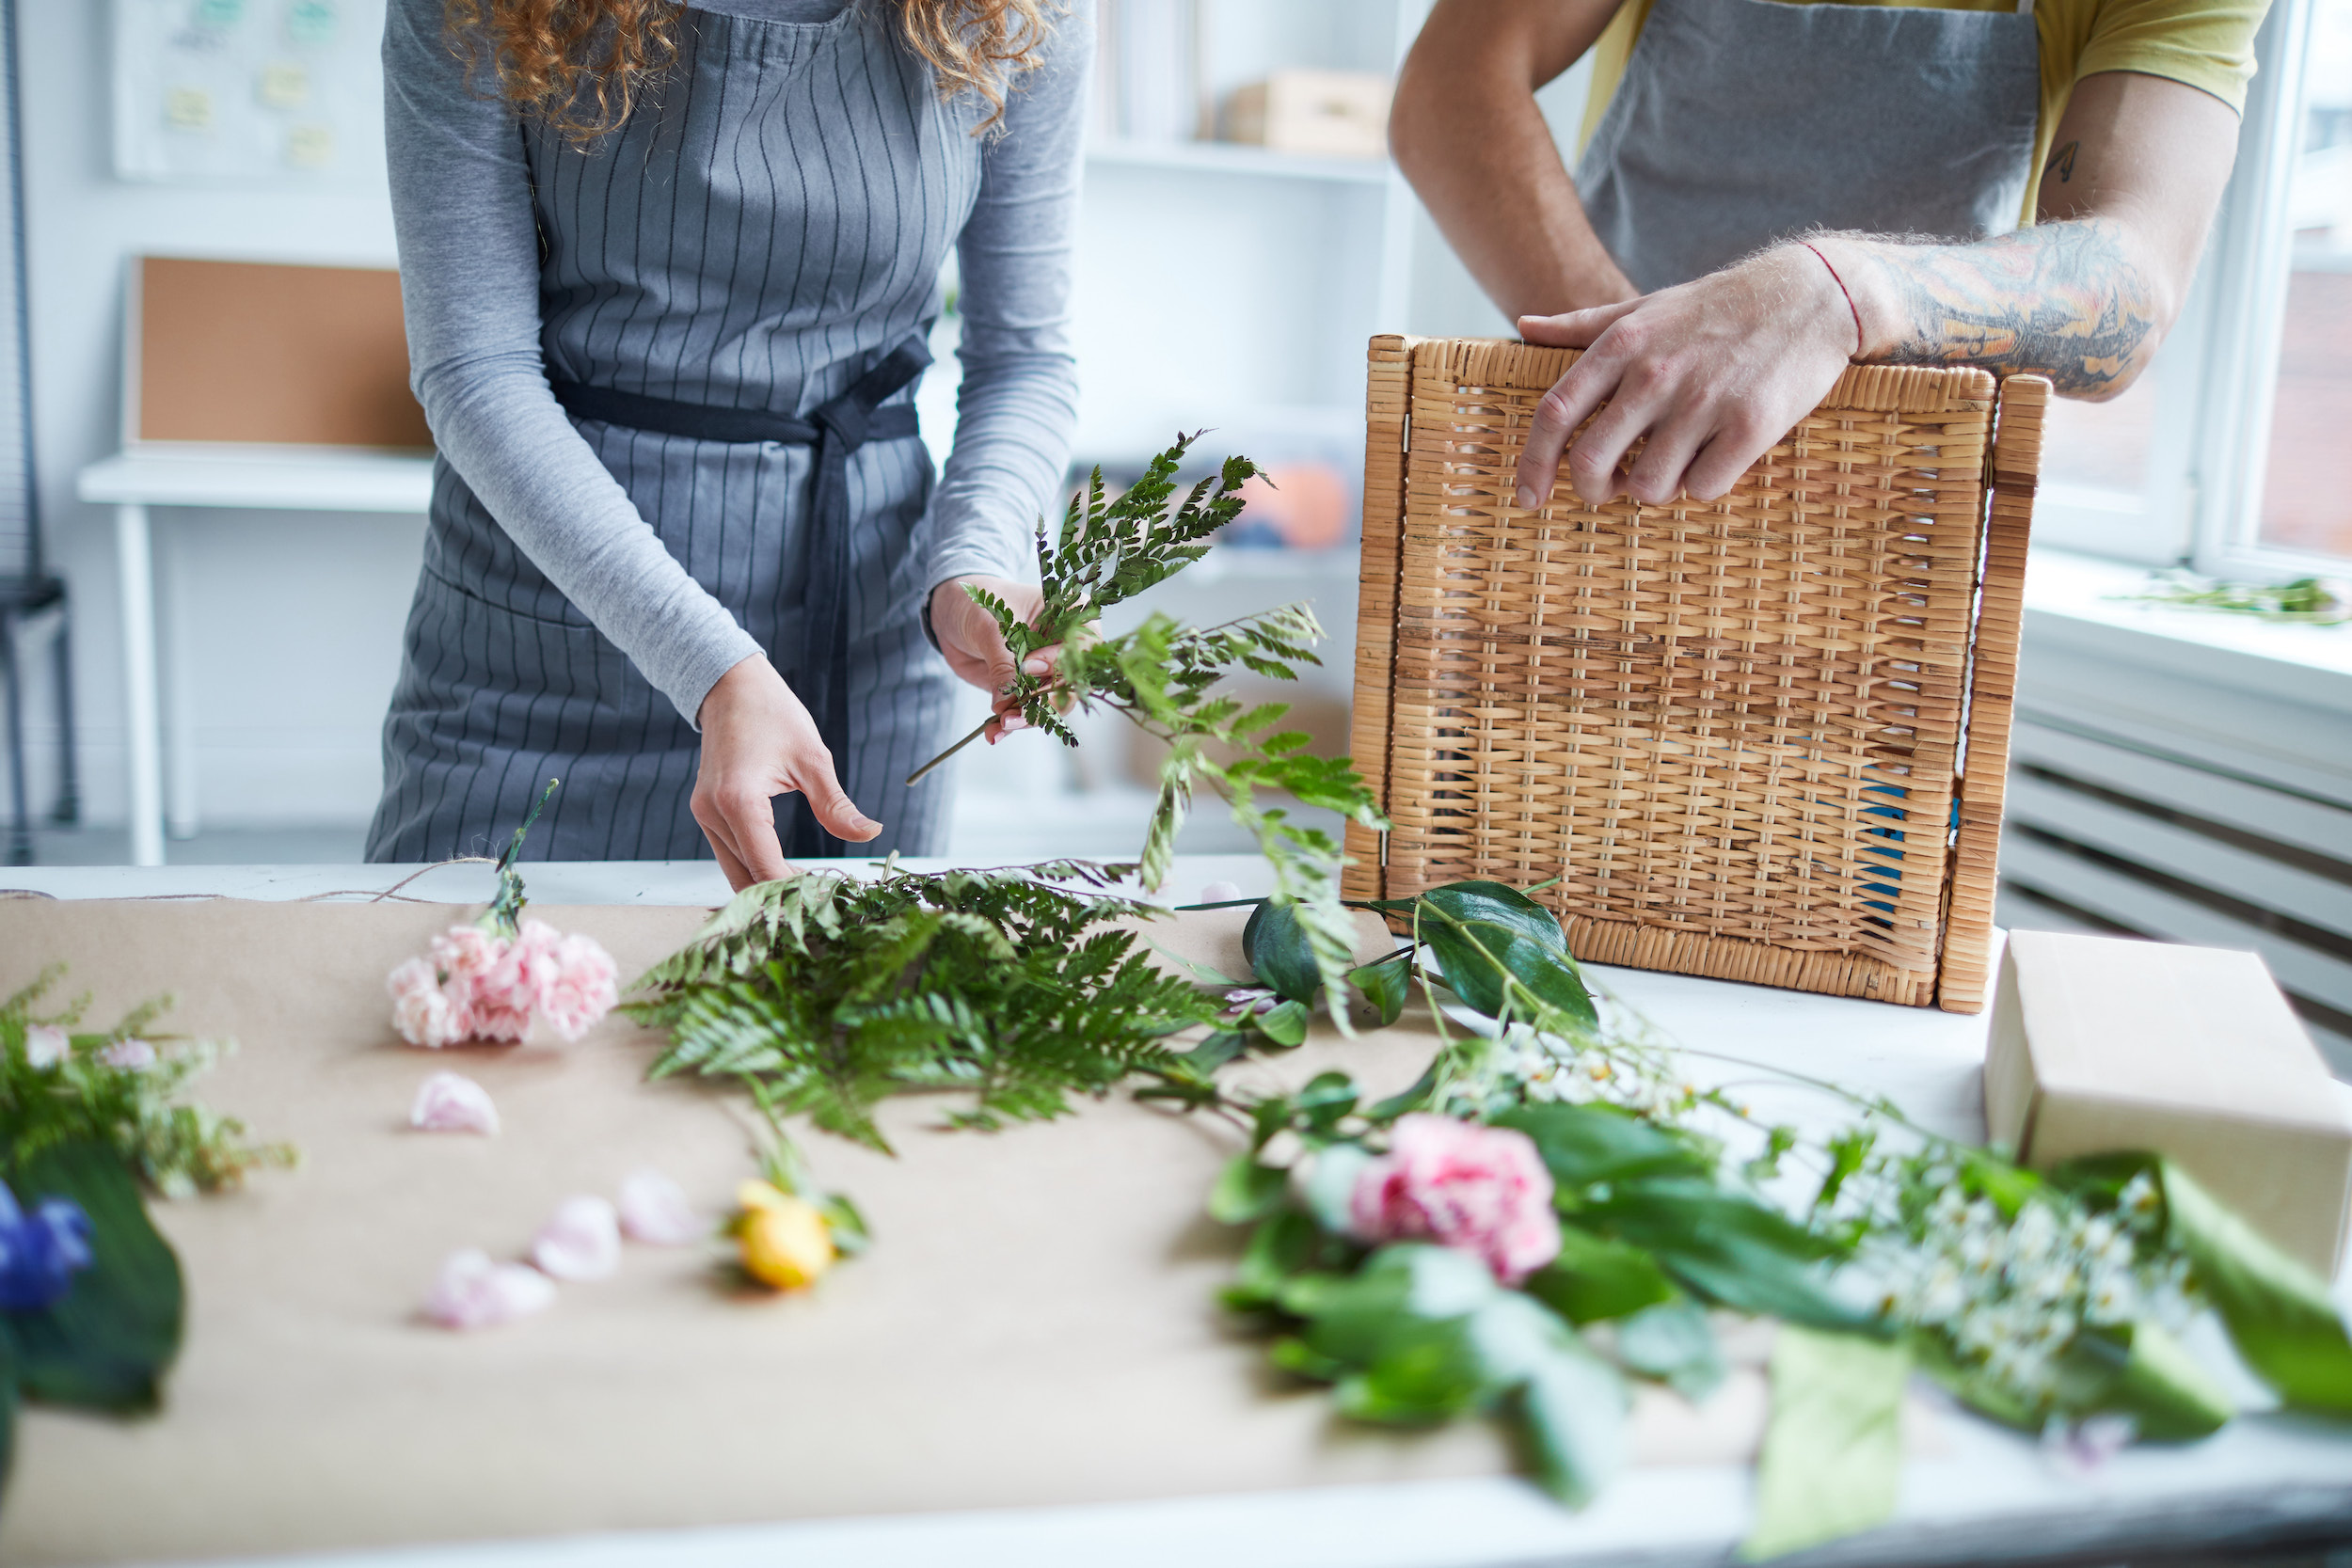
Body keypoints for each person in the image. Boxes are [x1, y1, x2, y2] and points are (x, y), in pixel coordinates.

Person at [366, 0, 1088, 886]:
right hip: (547, 651)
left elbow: (1025, 360)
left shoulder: (1023, 12)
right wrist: (711, 665)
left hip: (861, 652)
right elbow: (477, 372)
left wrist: (974, 563)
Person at [1390, 0, 2266, 513]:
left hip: (1887, 525)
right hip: (1605, 482)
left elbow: (2129, 289)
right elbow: (1448, 91)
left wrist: (1843, 292)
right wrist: (1646, 379)